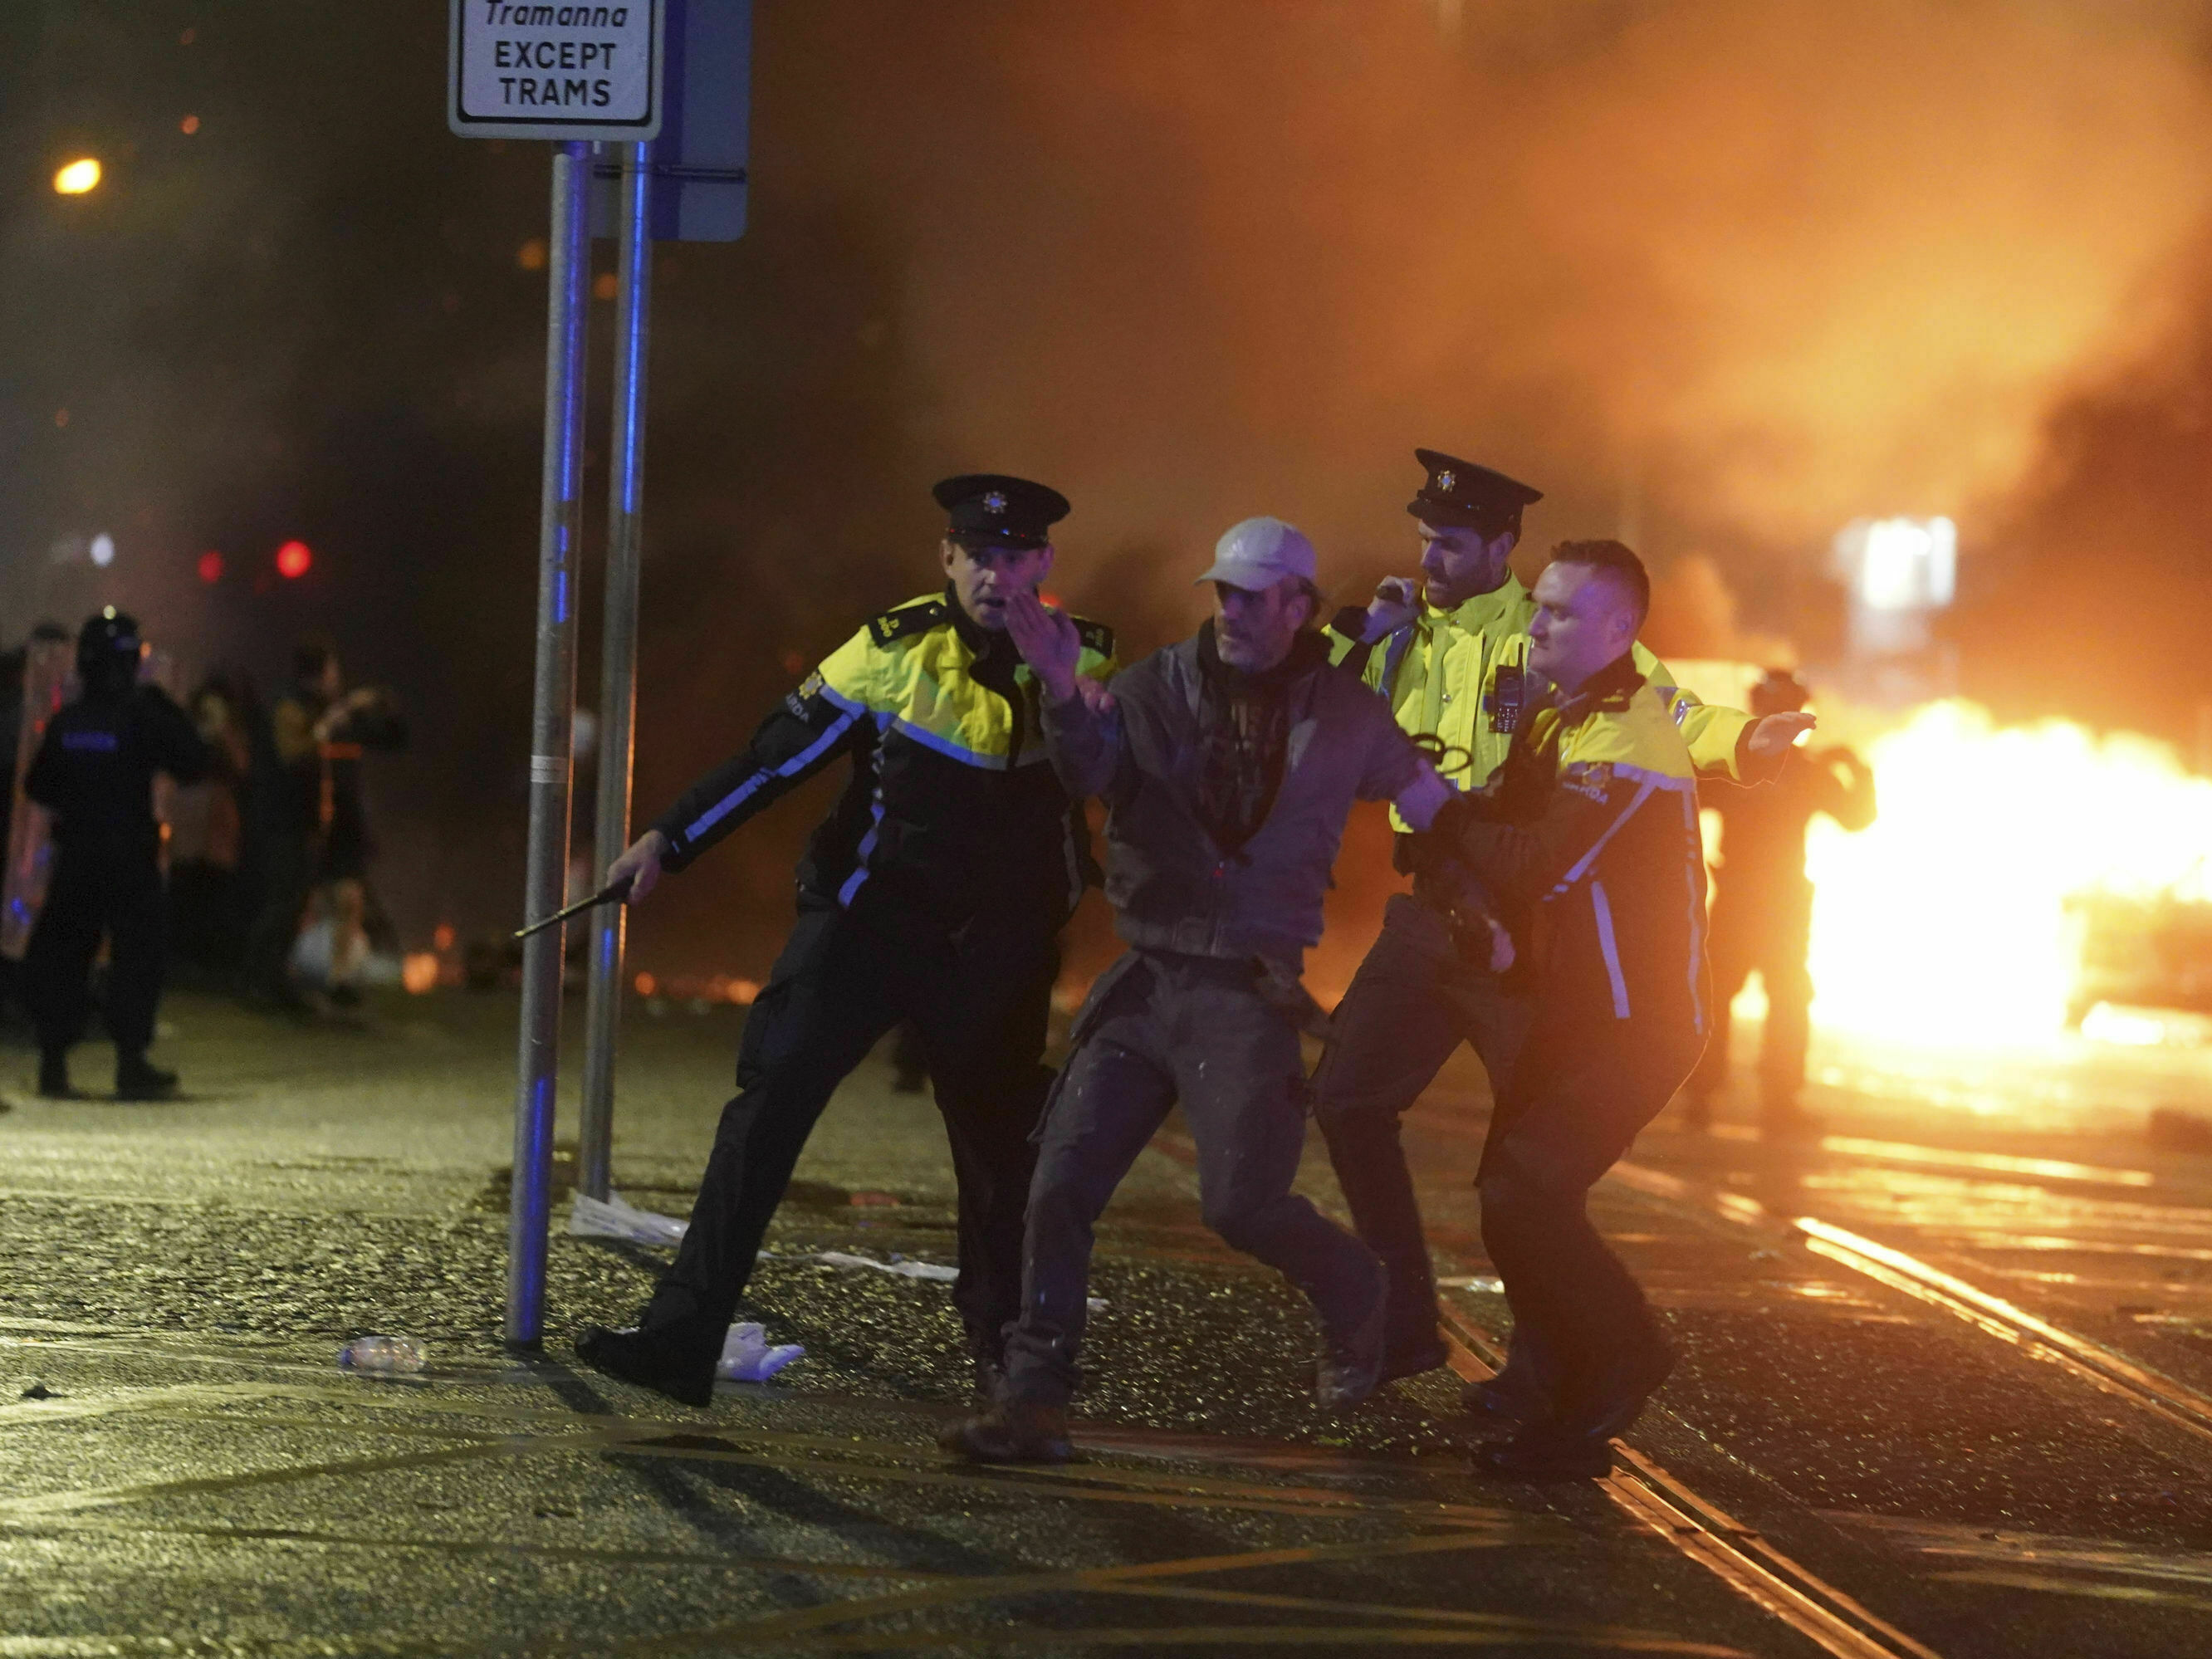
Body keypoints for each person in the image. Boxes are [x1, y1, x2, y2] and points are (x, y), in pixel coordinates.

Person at [942, 516, 1476, 1466]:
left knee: (1244, 1207)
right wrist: (1062, 689)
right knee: (1059, 1184)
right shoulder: (1154, 685)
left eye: (1252, 596)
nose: (1230, 611)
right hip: (1147, 980)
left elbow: (1428, 804)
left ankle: (1359, 1289)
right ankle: (1033, 1394)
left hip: (1246, 990)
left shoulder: (1348, 713)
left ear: (1299, 607)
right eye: (1222, 592)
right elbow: (1088, 773)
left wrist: (1492, 885)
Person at [576, 475, 1117, 1410]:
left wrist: (1065, 685)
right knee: (764, 1115)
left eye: (1016, 556)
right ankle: (680, 1340)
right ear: (946, 557)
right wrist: (671, 838)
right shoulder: (888, 649)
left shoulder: (1092, 660)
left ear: (1045, 564)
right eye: (978, 555)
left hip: (996, 952)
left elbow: (1126, 784)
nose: (996, 575)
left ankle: (1007, 1367)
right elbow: (773, 759)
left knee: (1001, 1164)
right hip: (867, 929)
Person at [1312, 450, 1808, 1398]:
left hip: (1525, 928)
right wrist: (1353, 634)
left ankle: (1541, 1369)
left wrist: (1745, 745)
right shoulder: (1402, 634)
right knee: (1343, 1100)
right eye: (1425, 539)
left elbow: (1661, 710)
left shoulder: (1549, 627)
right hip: (1433, 907)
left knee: (1523, 1169)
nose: (1433, 558)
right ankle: (1403, 1321)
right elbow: (1316, 706)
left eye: (1452, 543)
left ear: (1502, 546)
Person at [1424, 541, 1774, 1478]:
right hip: (1573, 1010)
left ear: (1620, 631)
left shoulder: (1630, 735)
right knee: (1510, 1203)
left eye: (1562, 614)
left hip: (1641, 1023)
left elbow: (1532, 860)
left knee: (1524, 1191)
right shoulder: (1564, 713)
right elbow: (1506, 829)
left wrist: (1435, 806)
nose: (1536, 624)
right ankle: (1569, 1389)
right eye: (1537, 606)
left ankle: (1619, 1362)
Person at [22, 609, 213, 1099]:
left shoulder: (68, 721)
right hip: (128, 856)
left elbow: (39, 784)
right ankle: (130, 1065)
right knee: (136, 957)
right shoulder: (145, 713)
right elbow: (193, 764)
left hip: (78, 856)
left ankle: (53, 1065)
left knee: (64, 953)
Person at [1685, 669, 1875, 1137]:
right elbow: (1681, 802)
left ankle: (1770, 1101)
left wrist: (1856, 768)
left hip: (1779, 901)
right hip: (1746, 897)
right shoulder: (1742, 764)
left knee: (1782, 996)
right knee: (1724, 994)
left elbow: (1856, 819)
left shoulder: (1798, 770)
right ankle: (1709, 1096)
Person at [243, 640, 405, 1011]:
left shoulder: (327, 711)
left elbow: (391, 739)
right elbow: (295, 756)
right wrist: (335, 719)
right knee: (286, 904)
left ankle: (331, 980)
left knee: (333, 902)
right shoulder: (292, 707)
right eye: (333, 669)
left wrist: (375, 709)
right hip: (292, 821)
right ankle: (260, 977)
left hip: (326, 824)